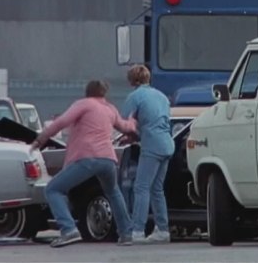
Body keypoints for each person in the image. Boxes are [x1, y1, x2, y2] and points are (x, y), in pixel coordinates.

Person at [30, 80, 136, 248]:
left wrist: (40, 139)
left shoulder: (83, 104)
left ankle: (68, 229)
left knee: (53, 189)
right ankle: (126, 233)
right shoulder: (110, 109)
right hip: (108, 159)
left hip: (88, 157)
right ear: (104, 93)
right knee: (114, 192)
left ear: (87, 92)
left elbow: (61, 122)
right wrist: (134, 122)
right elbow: (125, 127)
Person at [122, 65, 174, 244]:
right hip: (167, 144)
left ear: (132, 81)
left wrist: (130, 137)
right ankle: (162, 229)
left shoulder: (135, 96)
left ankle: (137, 230)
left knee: (141, 187)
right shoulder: (161, 96)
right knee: (157, 189)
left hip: (151, 144)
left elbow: (124, 122)